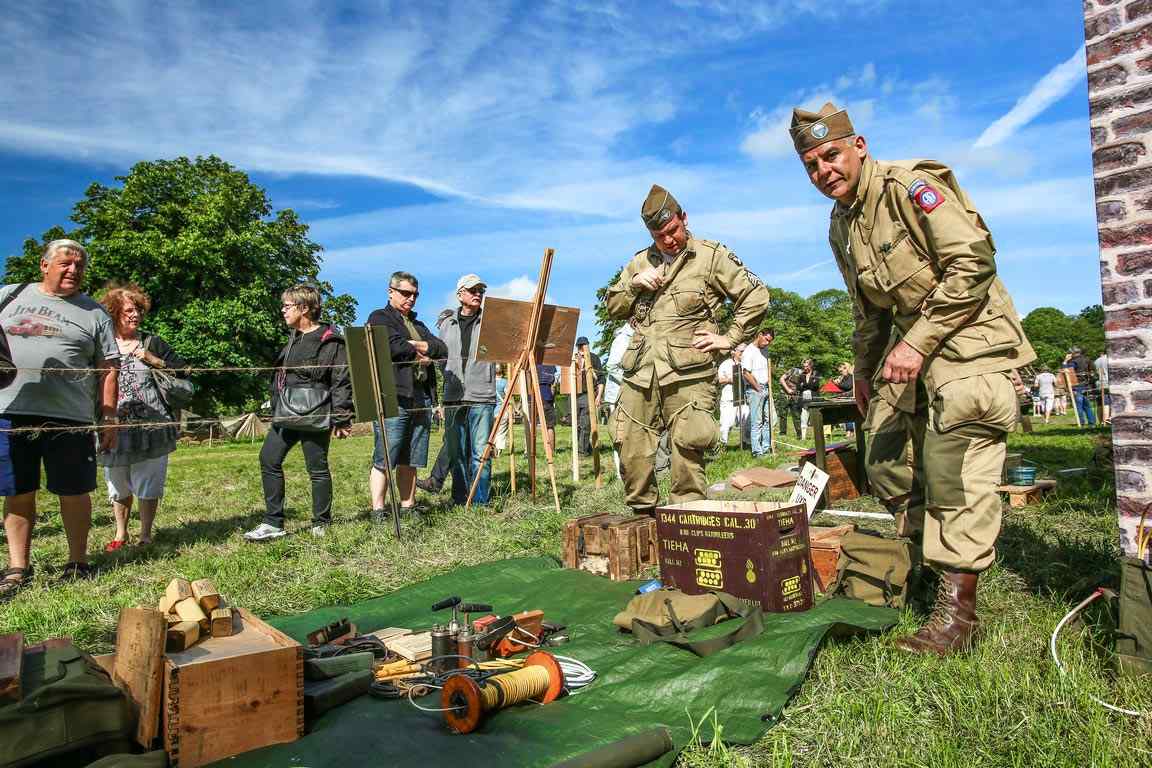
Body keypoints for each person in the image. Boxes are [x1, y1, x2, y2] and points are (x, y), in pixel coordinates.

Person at [791, 102, 1036, 654]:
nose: (824, 170)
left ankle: (958, 615)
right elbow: (868, 313)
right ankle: (923, 564)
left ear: (859, 145)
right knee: (882, 459)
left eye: (831, 154)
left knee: (952, 472)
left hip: (967, 343)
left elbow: (974, 262)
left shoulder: (910, 187)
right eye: (811, 164)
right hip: (909, 353)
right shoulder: (841, 224)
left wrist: (916, 342)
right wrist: (862, 375)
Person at [605, 185, 770, 514]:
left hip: (690, 372)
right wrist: (633, 284)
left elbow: (756, 295)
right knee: (631, 445)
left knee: (688, 447)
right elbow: (613, 306)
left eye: (672, 230)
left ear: (684, 218)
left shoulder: (711, 256)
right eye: (658, 235)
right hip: (642, 371)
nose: (668, 240)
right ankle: (643, 520)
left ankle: (688, 522)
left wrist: (730, 338)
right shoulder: (640, 261)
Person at [0, 239, 119, 599]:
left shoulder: (95, 313)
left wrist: (109, 416)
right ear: (44, 265)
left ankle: (77, 561)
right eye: (66, 263)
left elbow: (109, 368)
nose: (73, 270)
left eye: (79, 265)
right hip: (10, 410)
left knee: (74, 490)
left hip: (71, 416)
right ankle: (18, 566)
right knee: (18, 490)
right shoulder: (9, 296)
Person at [244, 285, 352, 541]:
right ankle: (273, 523)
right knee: (268, 459)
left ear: (304, 308)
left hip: (315, 411)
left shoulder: (331, 340)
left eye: (287, 305)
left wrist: (342, 417)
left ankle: (321, 523)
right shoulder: (293, 338)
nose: (282, 310)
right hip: (287, 411)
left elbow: (341, 380)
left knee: (317, 468)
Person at [98, 284, 188, 550]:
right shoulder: (101, 344)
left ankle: (145, 534)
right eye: (128, 310)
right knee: (117, 481)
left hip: (152, 425)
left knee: (149, 480)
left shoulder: (152, 342)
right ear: (114, 313)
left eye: (138, 309)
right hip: (113, 424)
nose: (135, 314)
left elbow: (185, 370)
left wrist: (153, 359)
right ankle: (120, 533)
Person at [367, 272, 447, 520]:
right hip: (393, 396)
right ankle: (378, 510)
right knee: (386, 455)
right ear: (391, 291)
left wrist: (415, 345)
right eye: (405, 293)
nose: (411, 299)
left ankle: (408, 505)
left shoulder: (419, 325)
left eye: (415, 295)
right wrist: (419, 348)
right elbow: (393, 346)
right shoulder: (379, 317)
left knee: (412, 456)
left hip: (421, 397)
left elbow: (441, 348)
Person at [437, 273, 497, 506]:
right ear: (460, 294)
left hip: (482, 395)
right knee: (456, 452)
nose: (478, 294)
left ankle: (481, 501)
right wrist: (449, 379)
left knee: (480, 452)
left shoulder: (490, 322)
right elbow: (440, 355)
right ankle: (460, 497)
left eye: (481, 291)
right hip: (454, 396)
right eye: (473, 290)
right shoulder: (447, 323)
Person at [603, 319, 636, 478]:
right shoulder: (623, 338)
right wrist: (632, 381)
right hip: (619, 395)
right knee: (620, 435)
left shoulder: (637, 336)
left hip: (632, 395)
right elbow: (612, 366)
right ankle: (620, 474)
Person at [741, 329, 774, 456]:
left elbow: (767, 369)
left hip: (766, 387)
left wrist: (768, 386)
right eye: (766, 340)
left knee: (768, 420)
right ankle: (757, 451)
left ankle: (766, 447)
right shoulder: (749, 351)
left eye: (770, 341)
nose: (767, 343)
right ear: (760, 335)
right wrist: (758, 388)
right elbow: (746, 373)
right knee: (757, 421)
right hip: (755, 389)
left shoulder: (765, 351)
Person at [573, 337, 605, 457]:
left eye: (583, 346)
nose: (581, 348)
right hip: (575, 395)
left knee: (586, 423)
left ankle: (582, 451)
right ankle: (582, 447)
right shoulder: (573, 359)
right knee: (576, 424)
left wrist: (598, 396)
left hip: (588, 394)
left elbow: (601, 378)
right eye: (579, 346)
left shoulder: (594, 358)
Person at [717, 343, 745, 446]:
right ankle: (722, 445)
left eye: (744, 351)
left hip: (744, 397)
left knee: (746, 422)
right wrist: (730, 379)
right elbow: (718, 380)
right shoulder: (726, 364)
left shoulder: (746, 363)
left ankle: (745, 444)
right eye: (741, 351)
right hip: (729, 398)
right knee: (727, 424)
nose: (743, 354)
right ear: (733, 352)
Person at [1063, 348, 1097, 426]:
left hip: (1076, 385)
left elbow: (1066, 371)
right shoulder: (1087, 359)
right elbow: (1093, 371)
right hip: (1086, 385)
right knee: (1087, 405)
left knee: (1079, 406)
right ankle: (1092, 423)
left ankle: (1081, 422)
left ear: (1073, 353)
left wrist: (1065, 361)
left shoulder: (1073, 361)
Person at [1094, 351, 1111, 424]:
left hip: (1099, 383)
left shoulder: (1096, 361)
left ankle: (1101, 421)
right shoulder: (1109, 359)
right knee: (1106, 402)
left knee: (1100, 403)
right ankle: (1106, 420)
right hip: (1108, 382)